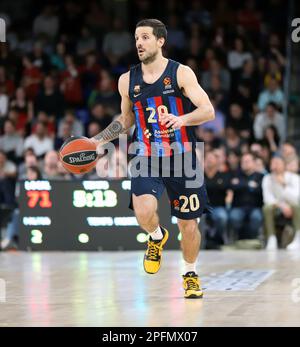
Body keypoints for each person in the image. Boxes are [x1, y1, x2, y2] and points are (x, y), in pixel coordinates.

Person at [91, 19, 215, 299]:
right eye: (136, 38)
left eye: (145, 37)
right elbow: (125, 120)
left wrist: (181, 119)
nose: (139, 42)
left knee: (188, 224)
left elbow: (208, 111)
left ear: (160, 41)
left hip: (182, 158)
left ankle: (190, 273)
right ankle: (157, 237)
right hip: (145, 156)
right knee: (144, 212)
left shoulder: (181, 73)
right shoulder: (127, 80)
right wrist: (96, 140)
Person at [262, 156, 300, 250]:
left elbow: (295, 198)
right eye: (273, 163)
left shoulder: (294, 177)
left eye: (277, 163)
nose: (275, 166)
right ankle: (272, 238)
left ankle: (298, 238)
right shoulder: (267, 178)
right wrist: (282, 205)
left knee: (296, 206)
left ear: (284, 165)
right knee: (267, 208)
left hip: (292, 207)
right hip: (277, 207)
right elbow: (267, 198)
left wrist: (284, 185)